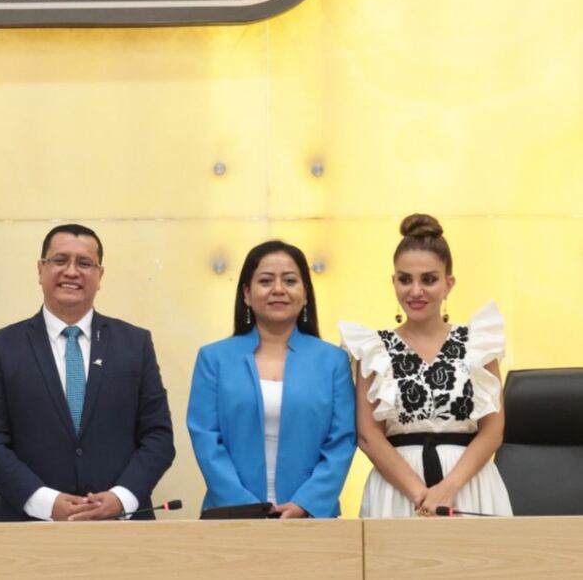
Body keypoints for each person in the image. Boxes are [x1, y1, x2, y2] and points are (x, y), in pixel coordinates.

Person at [0, 224, 175, 521]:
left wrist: (121, 498)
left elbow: (158, 436)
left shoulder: (135, 343)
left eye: (84, 263)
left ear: (100, 275)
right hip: (29, 528)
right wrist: (45, 502)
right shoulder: (2, 346)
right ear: (40, 269)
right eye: (60, 260)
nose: (71, 271)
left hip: (122, 528)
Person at [339, 214, 512, 517]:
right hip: (397, 490)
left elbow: (493, 430)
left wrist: (448, 488)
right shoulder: (373, 348)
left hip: (469, 485)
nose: (415, 291)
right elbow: (369, 436)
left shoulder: (479, 341)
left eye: (428, 279)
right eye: (405, 279)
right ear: (393, 282)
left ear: (448, 284)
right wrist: (421, 495)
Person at [186, 241, 356, 518]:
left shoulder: (333, 361)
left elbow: (342, 442)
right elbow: (206, 439)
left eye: (290, 280)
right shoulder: (214, 358)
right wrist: (246, 507)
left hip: (311, 518)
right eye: (265, 281)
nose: (278, 289)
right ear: (246, 294)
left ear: (305, 293)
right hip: (231, 515)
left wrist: (306, 504)